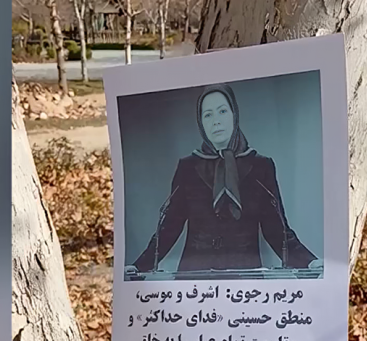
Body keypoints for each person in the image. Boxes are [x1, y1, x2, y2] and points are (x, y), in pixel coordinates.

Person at [126, 83, 323, 275]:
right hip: (194, 277)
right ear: (201, 122)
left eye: (222, 112)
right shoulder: (188, 167)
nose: (216, 121)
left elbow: (276, 230)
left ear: (234, 114)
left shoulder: (260, 166)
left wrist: (309, 262)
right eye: (208, 115)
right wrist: (140, 266)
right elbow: (169, 227)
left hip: (245, 277)